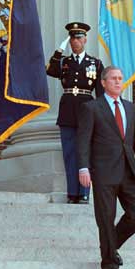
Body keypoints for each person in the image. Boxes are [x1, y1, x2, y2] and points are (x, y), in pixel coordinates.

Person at [77, 66, 135, 269]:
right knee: (106, 217)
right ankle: (110, 264)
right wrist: (83, 167)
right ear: (103, 82)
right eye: (113, 78)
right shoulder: (92, 108)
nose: (118, 82)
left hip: (128, 171)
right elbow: (83, 140)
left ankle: (112, 248)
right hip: (103, 172)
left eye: (120, 78)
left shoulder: (130, 108)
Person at [46, 22, 104, 204]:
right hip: (68, 111)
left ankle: (85, 192)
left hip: (87, 110)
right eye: (72, 38)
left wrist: (101, 115)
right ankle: (73, 193)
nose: (75, 41)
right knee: (70, 154)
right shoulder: (64, 62)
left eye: (78, 38)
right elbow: (49, 70)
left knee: (85, 152)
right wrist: (58, 52)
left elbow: (100, 93)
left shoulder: (95, 63)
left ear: (85, 39)